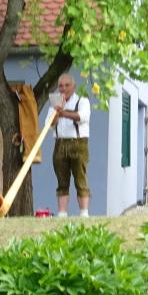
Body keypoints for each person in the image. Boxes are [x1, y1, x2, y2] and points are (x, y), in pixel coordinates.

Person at [51, 74, 91, 217]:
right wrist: (57, 111)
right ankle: (62, 214)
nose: (63, 88)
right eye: (61, 86)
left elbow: (82, 117)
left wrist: (63, 113)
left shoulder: (82, 101)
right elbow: (49, 124)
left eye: (67, 85)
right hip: (60, 143)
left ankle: (84, 213)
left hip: (78, 143)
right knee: (62, 180)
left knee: (80, 179)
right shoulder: (55, 103)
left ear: (73, 87)